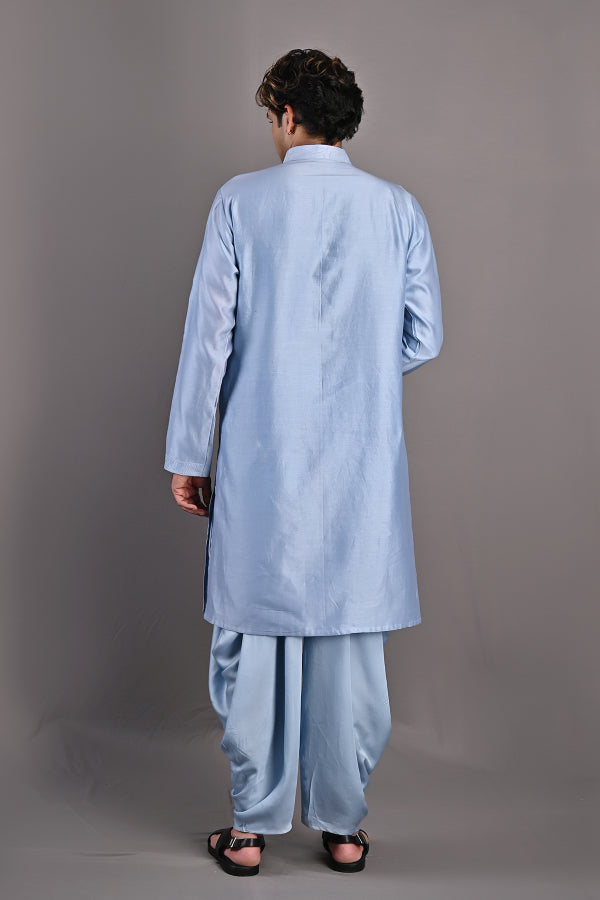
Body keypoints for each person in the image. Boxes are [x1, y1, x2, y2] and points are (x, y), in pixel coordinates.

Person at [164, 48, 443, 876]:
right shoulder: (397, 208)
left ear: (287, 115)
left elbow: (208, 341)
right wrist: (360, 372)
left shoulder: (240, 201)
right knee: (349, 638)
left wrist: (188, 453)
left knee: (255, 638)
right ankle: (345, 828)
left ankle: (250, 831)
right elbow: (424, 335)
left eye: (272, 115)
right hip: (360, 457)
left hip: (263, 452)